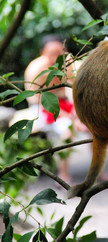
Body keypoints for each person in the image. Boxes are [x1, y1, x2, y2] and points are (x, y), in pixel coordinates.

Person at [24, 34, 88, 184]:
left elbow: (73, 91)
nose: (56, 58)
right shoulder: (35, 69)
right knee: (67, 130)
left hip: (64, 102)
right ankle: (63, 175)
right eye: (51, 54)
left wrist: (77, 114)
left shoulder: (68, 63)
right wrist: (70, 117)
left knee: (91, 124)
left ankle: (97, 170)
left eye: (59, 54)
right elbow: (37, 100)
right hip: (41, 107)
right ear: (42, 53)